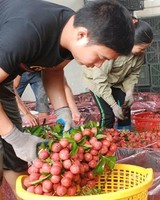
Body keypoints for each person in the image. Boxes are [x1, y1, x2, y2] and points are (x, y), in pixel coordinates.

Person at [0, 0, 134, 192]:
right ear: (82, 35)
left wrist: (63, 112)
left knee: (15, 157)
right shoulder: (26, 32)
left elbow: (53, 70)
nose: (98, 65)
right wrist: (14, 137)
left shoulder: (69, 30)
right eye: (101, 57)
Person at [82, 20, 153, 130]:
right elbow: (100, 79)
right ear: (131, 41)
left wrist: (129, 92)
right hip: (97, 81)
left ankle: (125, 141)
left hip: (117, 82)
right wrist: (113, 105)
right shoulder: (113, 49)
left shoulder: (139, 55)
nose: (143, 51)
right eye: (142, 48)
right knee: (108, 115)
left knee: (125, 109)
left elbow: (133, 74)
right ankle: (102, 142)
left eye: (146, 49)